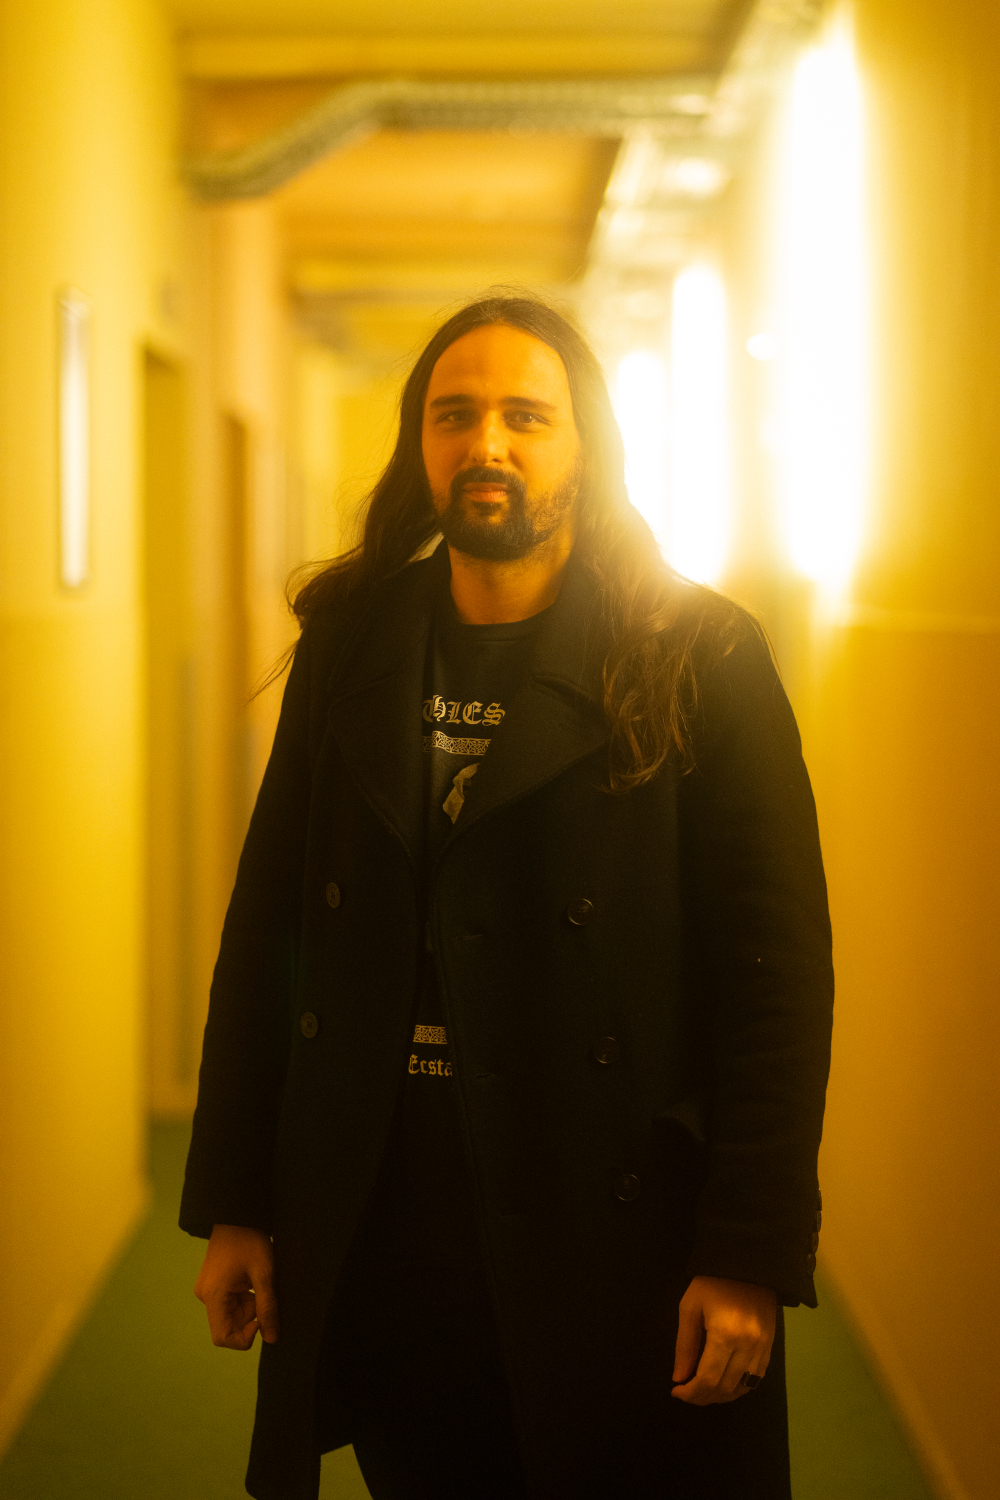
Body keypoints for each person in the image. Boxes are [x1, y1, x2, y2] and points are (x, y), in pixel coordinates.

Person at [181, 295, 833, 1500]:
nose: (487, 444)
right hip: (390, 1213)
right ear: (418, 444)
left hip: (613, 1216)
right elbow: (271, 920)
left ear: (586, 445)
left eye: (526, 416)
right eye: (455, 415)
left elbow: (774, 976)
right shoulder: (353, 640)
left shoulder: (697, 651)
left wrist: (747, 1247)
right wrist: (237, 1199)